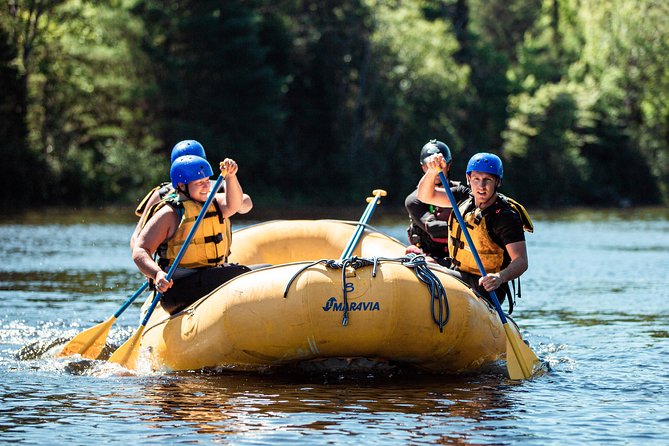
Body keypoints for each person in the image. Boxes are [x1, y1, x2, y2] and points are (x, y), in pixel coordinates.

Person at [132, 154, 251, 315]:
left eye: (207, 181)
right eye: (199, 183)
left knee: (262, 270)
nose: (206, 187)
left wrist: (231, 176)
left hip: (210, 275)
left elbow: (234, 205)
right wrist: (157, 273)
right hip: (178, 289)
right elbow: (140, 249)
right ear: (181, 185)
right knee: (241, 274)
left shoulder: (213, 202)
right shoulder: (169, 213)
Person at [417, 152, 532, 309]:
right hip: (459, 272)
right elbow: (425, 196)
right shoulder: (462, 196)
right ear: (468, 179)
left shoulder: (505, 216)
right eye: (476, 179)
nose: (481, 186)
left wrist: (499, 277)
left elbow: (521, 261)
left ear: (497, 182)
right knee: (420, 268)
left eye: (487, 180)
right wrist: (432, 171)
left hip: (487, 286)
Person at [130, 139, 253, 250]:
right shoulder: (163, 193)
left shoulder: (220, 186)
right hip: (177, 266)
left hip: (215, 261)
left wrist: (231, 202)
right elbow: (138, 235)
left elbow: (246, 204)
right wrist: (150, 269)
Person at [405, 139, 460, 267]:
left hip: (459, 256)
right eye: (430, 166)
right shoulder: (414, 200)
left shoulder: (460, 193)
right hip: (429, 256)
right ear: (424, 168)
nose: (436, 170)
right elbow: (434, 228)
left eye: (440, 165)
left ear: (448, 165)